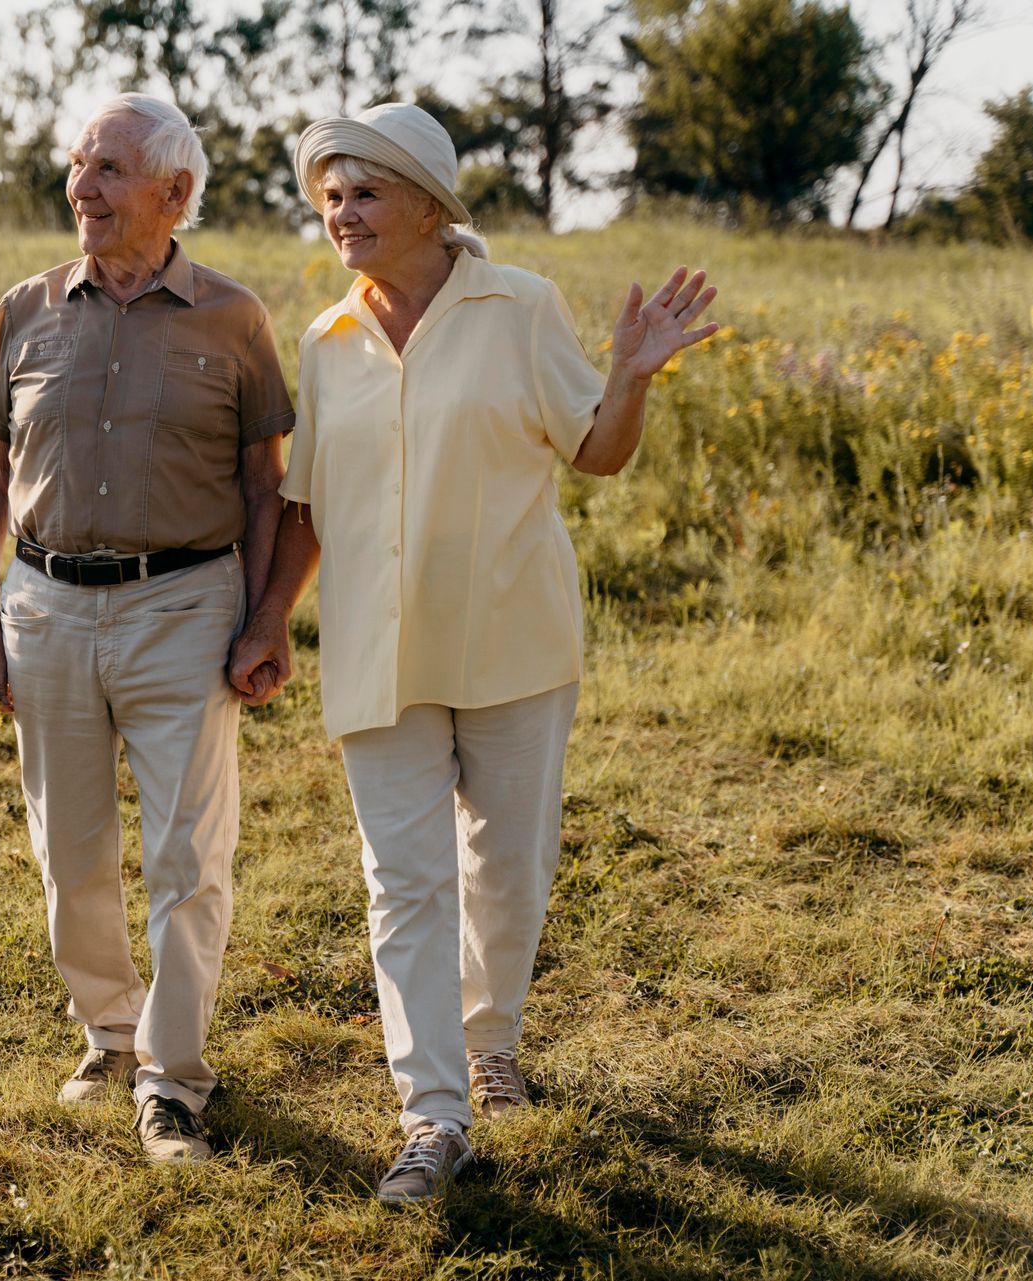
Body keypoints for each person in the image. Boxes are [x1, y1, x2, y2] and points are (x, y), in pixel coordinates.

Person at [227, 102, 719, 1203]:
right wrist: (267, 622)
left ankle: (491, 1038)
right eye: (330, 196)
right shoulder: (326, 340)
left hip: (513, 636)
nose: (342, 214)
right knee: (403, 882)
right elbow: (305, 507)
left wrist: (632, 375)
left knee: (507, 866)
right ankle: (432, 1113)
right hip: (373, 650)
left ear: (429, 203)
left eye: (364, 192)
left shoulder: (520, 306)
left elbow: (596, 453)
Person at [0, 93, 294, 1163]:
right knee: (73, 849)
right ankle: (108, 1032)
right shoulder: (24, 309)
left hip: (184, 603)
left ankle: (174, 1083)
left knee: (188, 854)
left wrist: (262, 619)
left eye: (107, 170)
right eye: (78, 165)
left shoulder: (233, 318)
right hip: (44, 604)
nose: (81, 188)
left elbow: (264, 484)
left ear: (174, 192)